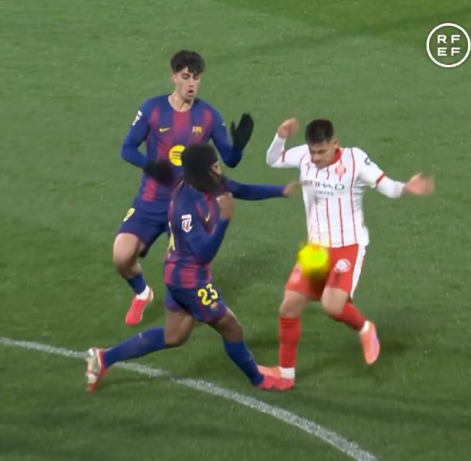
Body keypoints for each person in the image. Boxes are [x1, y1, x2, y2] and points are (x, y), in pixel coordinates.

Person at [86, 144, 295, 393]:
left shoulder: (207, 183)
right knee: (231, 327)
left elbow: (240, 188)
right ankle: (259, 379)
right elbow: (203, 253)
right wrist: (224, 220)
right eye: (214, 167)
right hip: (190, 280)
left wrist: (280, 191)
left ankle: (104, 358)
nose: (219, 171)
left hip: (177, 273)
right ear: (202, 172)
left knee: (174, 335)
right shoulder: (185, 207)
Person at [258, 118, 435, 384]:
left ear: (335, 144)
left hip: (347, 246)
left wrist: (407, 187)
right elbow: (272, 160)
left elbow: (387, 187)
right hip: (315, 250)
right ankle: (285, 374)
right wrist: (280, 136)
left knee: (332, 306)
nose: (316, 158)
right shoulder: (304, 156)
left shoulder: (355, 160)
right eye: (312, 151)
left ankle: (365, 328)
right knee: (289, 307)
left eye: (321, 151)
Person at [115, 49, 254, 325]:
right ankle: (142, 293)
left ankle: (187, 318)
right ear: (174, 77)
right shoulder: (152, 109)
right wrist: (151, 166)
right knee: (121, 257)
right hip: (151, 200)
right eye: (186, 77)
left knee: (178, 270)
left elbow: (230, 160)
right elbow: (127, 149)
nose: (192, 83)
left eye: (196, 78)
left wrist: (238, 146)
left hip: (187, 205)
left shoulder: (209, 115)